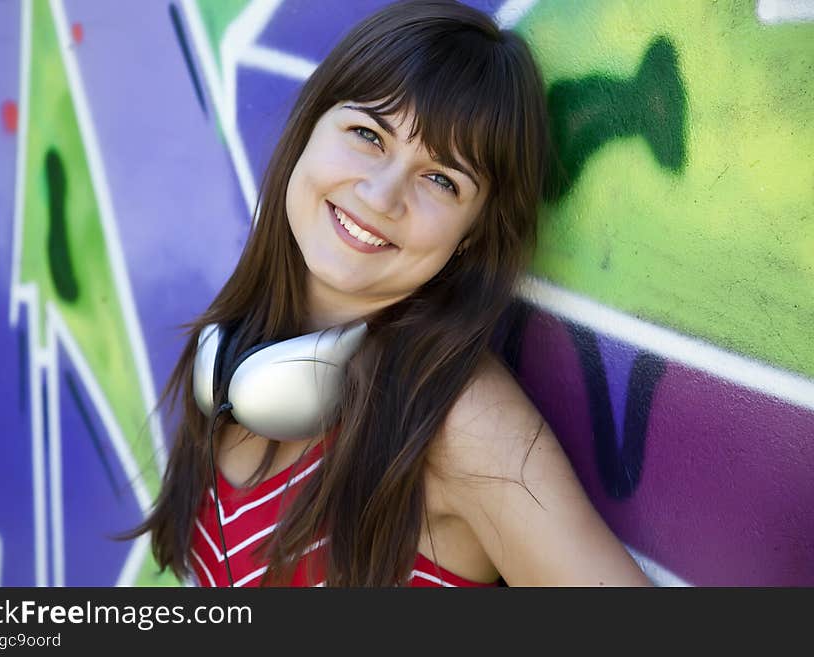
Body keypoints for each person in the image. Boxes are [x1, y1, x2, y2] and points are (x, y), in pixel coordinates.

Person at [128, 0, 652, 587]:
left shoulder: (460, 421)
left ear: (470, 234)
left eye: (440, 179)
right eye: (367, 134)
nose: (381, 195)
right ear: (310, 129)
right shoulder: (234, 354)